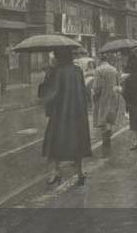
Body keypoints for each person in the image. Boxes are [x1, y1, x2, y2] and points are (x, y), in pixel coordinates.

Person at [41, 48, 92, 186]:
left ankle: (57, 171)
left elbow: (52, 93)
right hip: (77, 112)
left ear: (58, 58)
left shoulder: (57, 72)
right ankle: (80, 172)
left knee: (55, 140)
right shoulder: (77, 70)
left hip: (61, 113)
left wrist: (46, 80)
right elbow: (83, 90)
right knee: (78, 140)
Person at [92, 53, 120, 156]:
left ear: (100, 60)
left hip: (102, 98)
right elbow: (118, 84)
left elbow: (96, 86)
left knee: (102, 119)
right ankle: (109, 135)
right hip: (113, 96)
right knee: (110, 118)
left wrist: (94, 95)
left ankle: (105, 140)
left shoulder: (98, 70)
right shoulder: (114, 69)